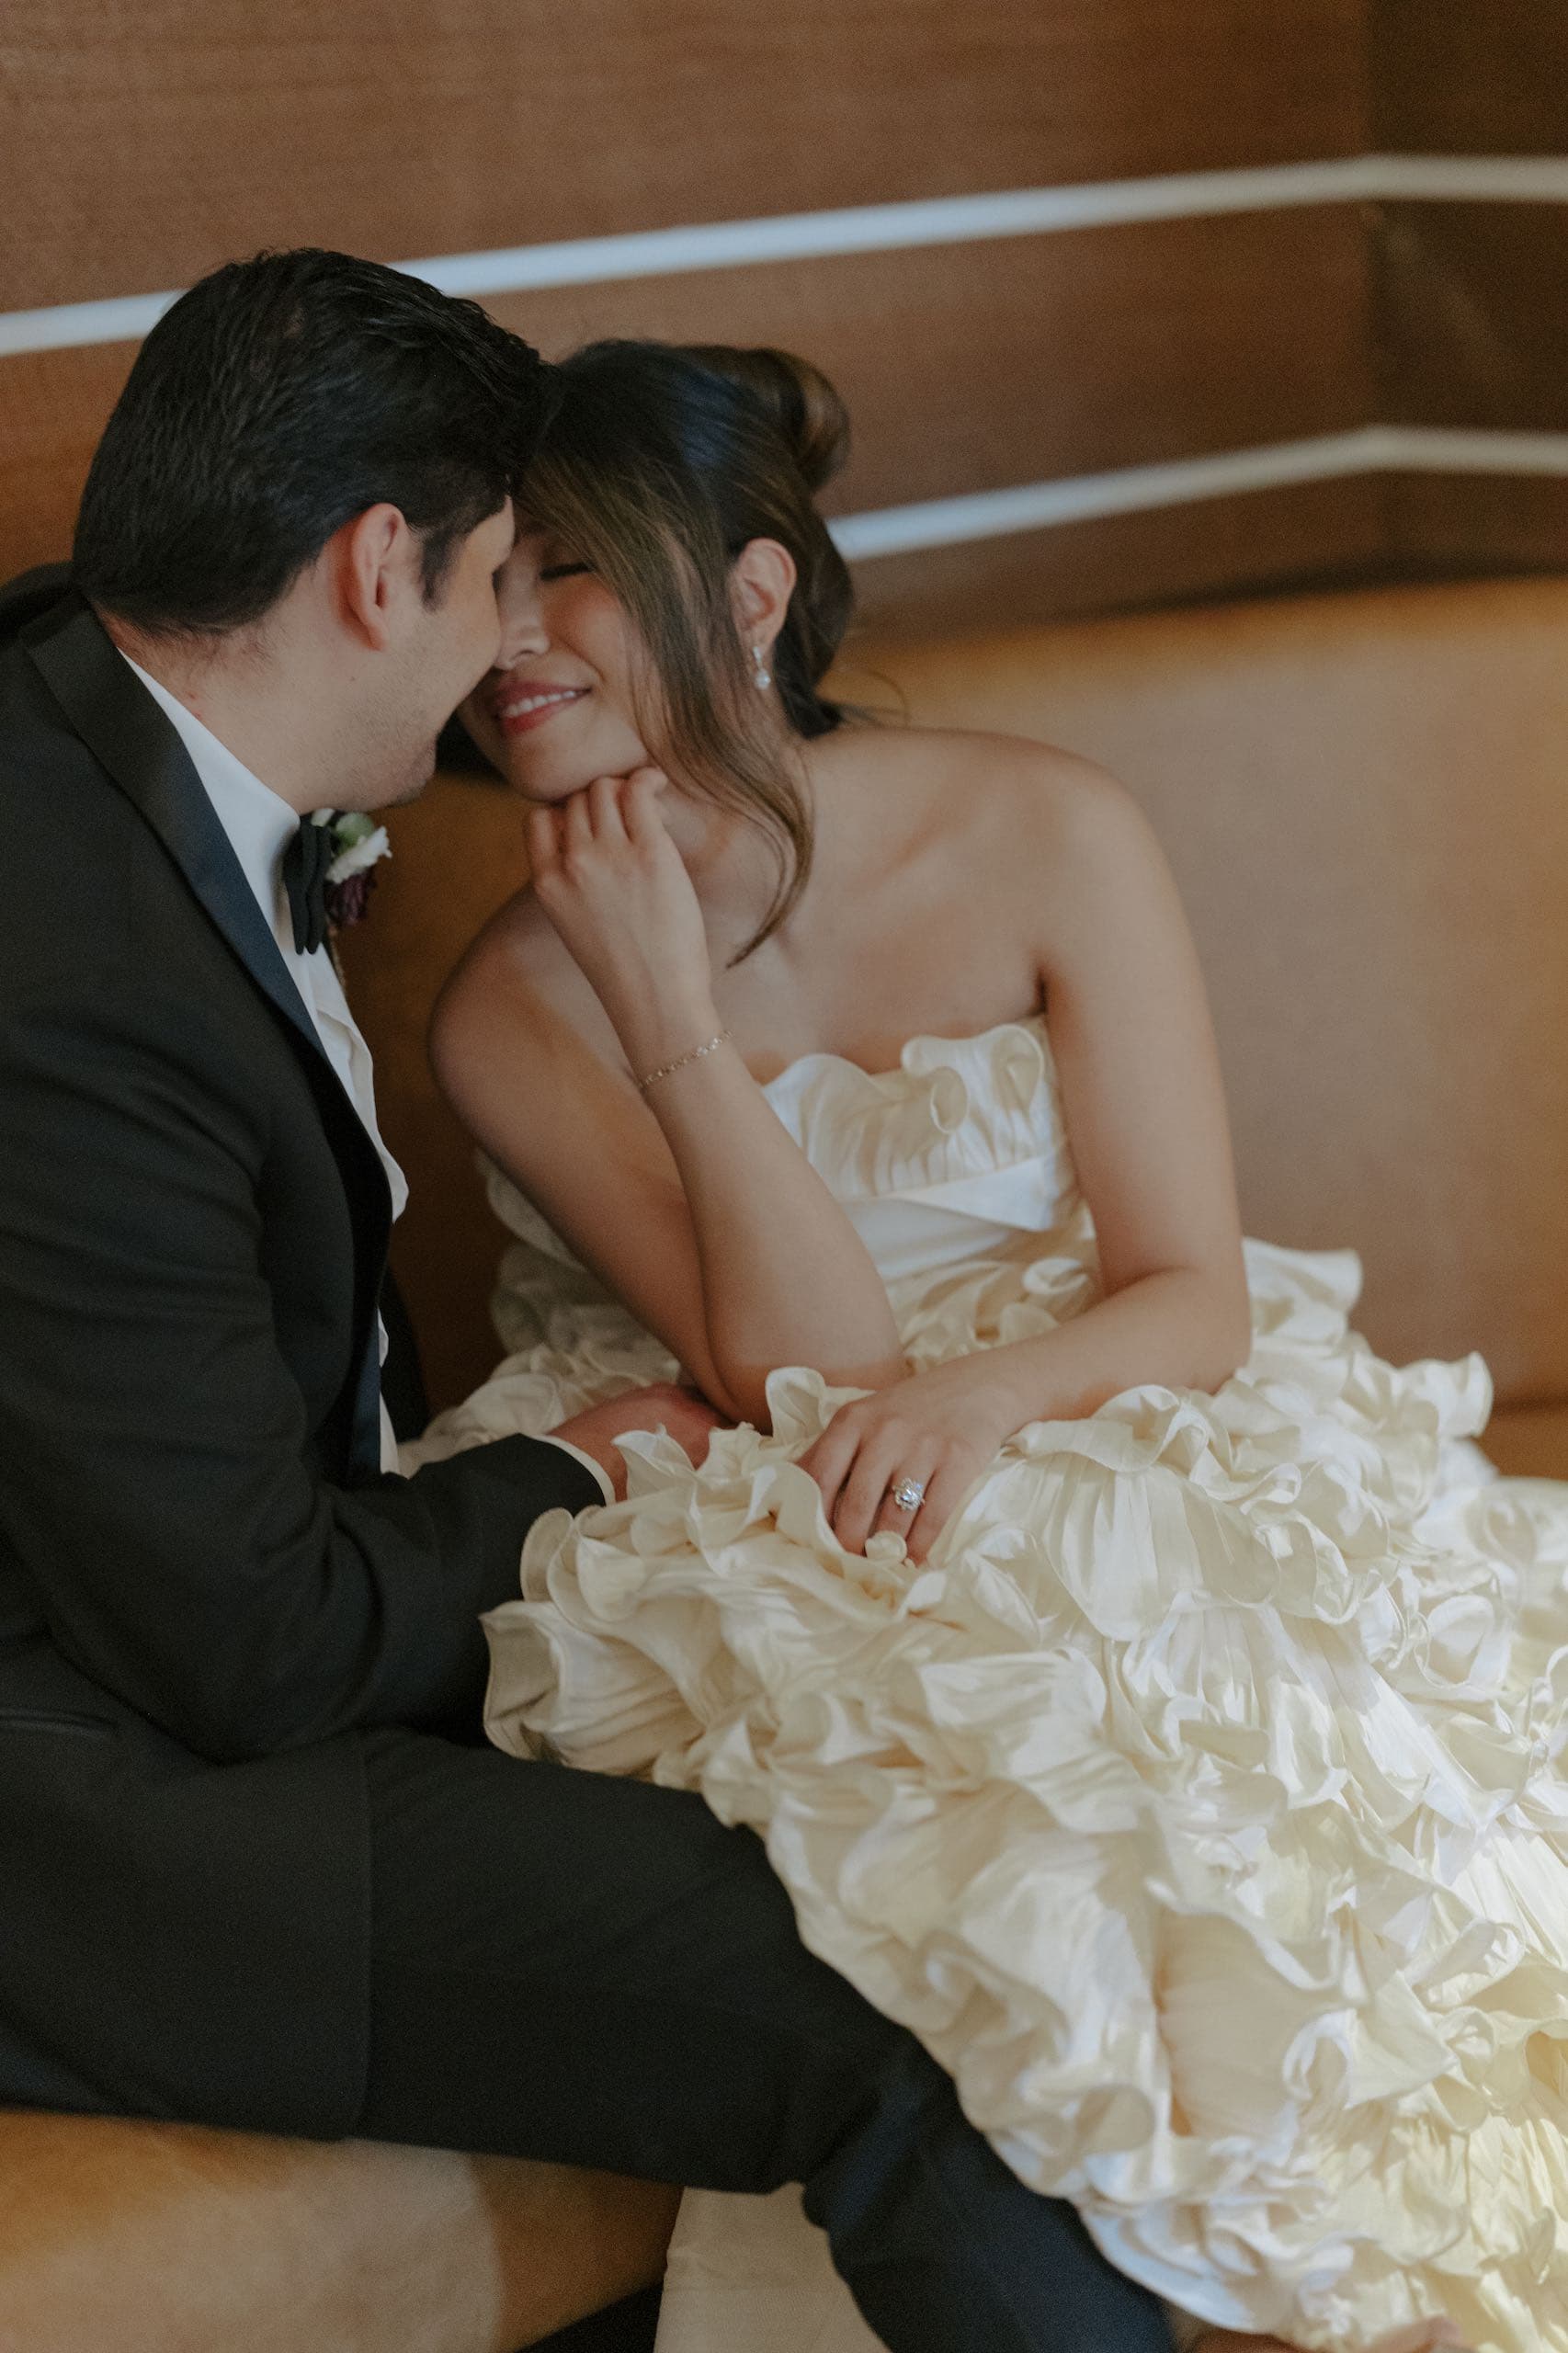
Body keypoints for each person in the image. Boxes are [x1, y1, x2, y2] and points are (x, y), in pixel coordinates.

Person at [0, 248, 1196, 2353]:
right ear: (377, 567)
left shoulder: (85, 720)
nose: (507, 645)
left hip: (213, 1620)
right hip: (104, 1808)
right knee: (931, 1979)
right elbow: (249, 1643)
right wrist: (575, 1461)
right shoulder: (75, 959)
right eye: (498, 574)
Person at [416, 336, 1568, 2353]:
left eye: (566, 567)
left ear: (752, 596)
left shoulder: (1045, 824)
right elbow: (805, 1368)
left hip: (1106, 1381)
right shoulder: (511, 1006)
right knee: (955, 1791)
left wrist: (987, 1396)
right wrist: (666, 1012)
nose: (507, 633)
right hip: (773, 1449)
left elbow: (1190, 1286)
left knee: (1253, 1738)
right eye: (484, 575)